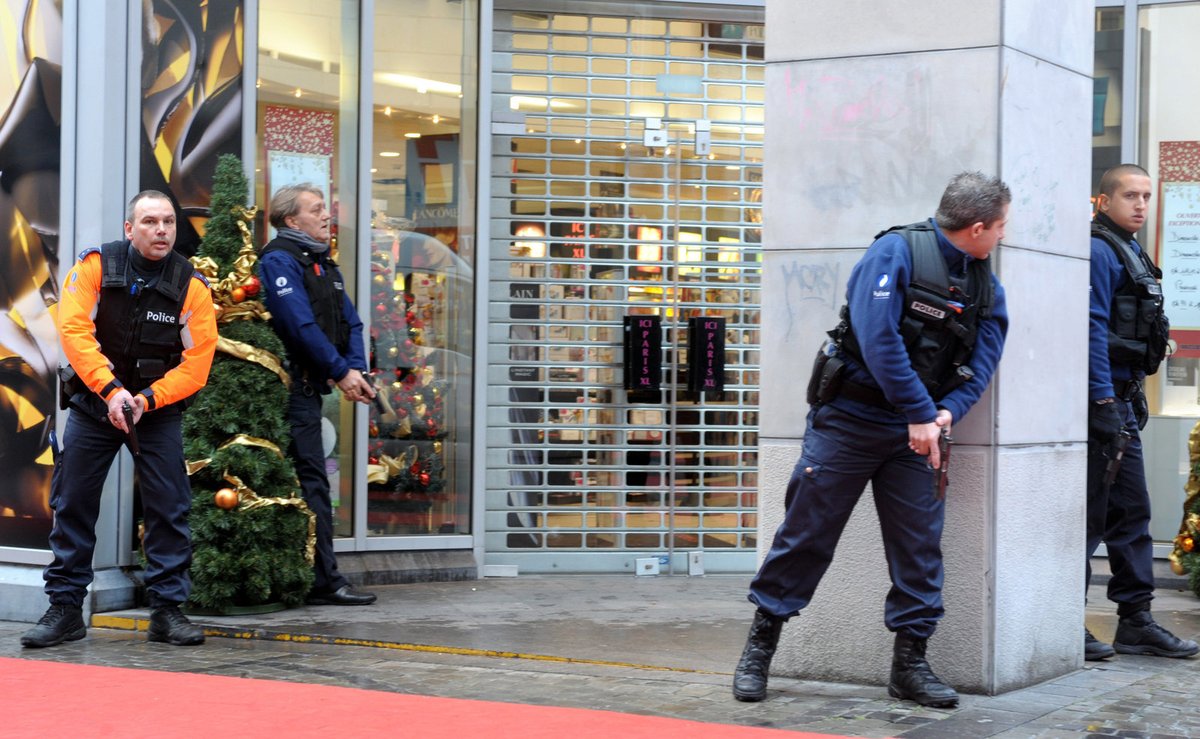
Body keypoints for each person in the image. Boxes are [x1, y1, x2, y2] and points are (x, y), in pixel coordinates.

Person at [732, 172, 1011, 707]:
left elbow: (985, 357)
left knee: (919, 549)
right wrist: (919, 411)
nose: (1002, 236)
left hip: (921, 431)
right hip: (851, 421)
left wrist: (947, 412)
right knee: (805, 533)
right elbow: (878, 339)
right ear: (977, 227)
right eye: (1000, 227)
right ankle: (759, 649)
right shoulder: (895, 253)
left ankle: (909, 666)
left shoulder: (983, 283)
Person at [22, 190, 218, 648]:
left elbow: (198, 362)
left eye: (168, 222)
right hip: (95, 407)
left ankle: (167, 612)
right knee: (73, 503)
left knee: (169, 507)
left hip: (156, 411)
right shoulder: (94, 268)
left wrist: (147, 399)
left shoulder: (190, 285)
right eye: (150, 221)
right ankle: (66, 610)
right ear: (129, 229)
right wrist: (110, 390)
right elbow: (74, 332)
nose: (162, 230)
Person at [1084, 164, 1198, 661]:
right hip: (1102, 400)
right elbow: (1087, 331)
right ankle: (1066, 620)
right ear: (1103, 201)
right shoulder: (1097, 250)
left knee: (1131, 512)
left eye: (1147, 197)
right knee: (1090, 517)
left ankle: (1135, 621)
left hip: (1123, 398)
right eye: (1130, 195)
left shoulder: (1131, 251)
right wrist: (1102, 401)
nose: (1141, 205)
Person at [259, 183, 378, 606]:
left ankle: (318, 576)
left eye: (325, 208)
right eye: (316, 209)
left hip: (313, 389)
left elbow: (354, 323)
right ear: (292, 220)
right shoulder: (279, 260)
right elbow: (299, 326)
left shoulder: (324, 265)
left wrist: (356, 370)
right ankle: (322, 580)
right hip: (288, 392)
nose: (327, 215)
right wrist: (342, 372)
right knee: (309, 482)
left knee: (314, 481)